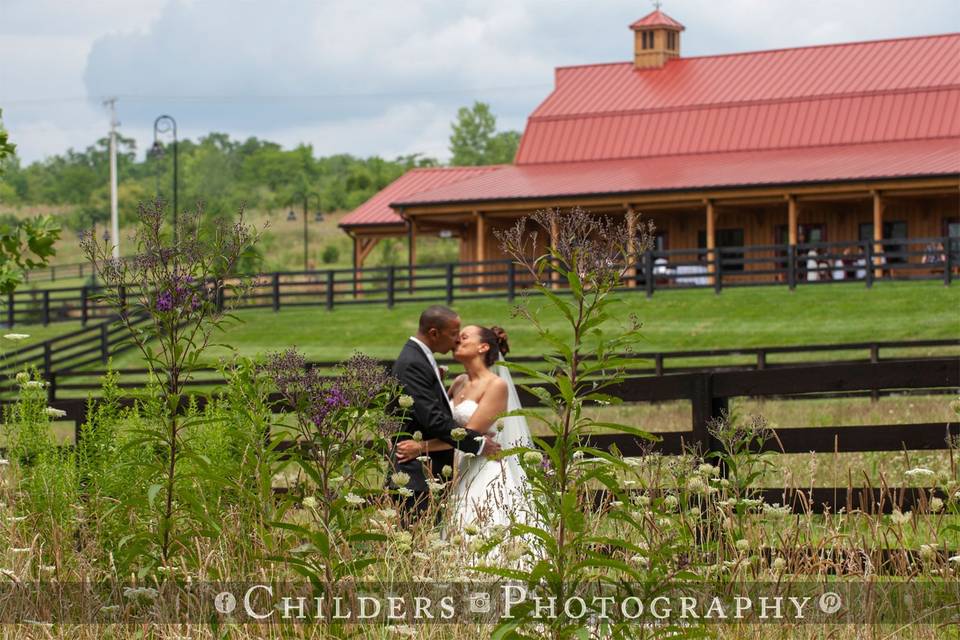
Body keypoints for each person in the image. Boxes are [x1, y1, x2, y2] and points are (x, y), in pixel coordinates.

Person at [395, 325, 539, 561]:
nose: (456, 341)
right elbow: (445, 426)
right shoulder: (460, 382)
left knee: (477, 531)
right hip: (459, 468)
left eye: (463, 337)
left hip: (483, 468)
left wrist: (421, 447)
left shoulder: (495, 385)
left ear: (483, 347)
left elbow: (469, 435)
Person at [388, 306, 501, 525]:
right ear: (434, 333)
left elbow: (436, 412)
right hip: (415, 475)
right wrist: (477, 444)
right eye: (453, 334)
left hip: (433, 473)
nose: (456, 340)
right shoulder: (413, 363)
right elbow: (434, 420)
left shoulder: (421, 359)